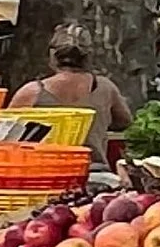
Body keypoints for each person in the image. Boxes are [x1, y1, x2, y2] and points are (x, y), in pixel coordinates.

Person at [8, 27, 134, 164]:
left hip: (44, 173)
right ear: (88, 56)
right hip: (95, 171)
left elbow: (4, 134)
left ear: (52, 55)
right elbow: (124, 122)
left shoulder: (31, 92)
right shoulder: (106, 88)